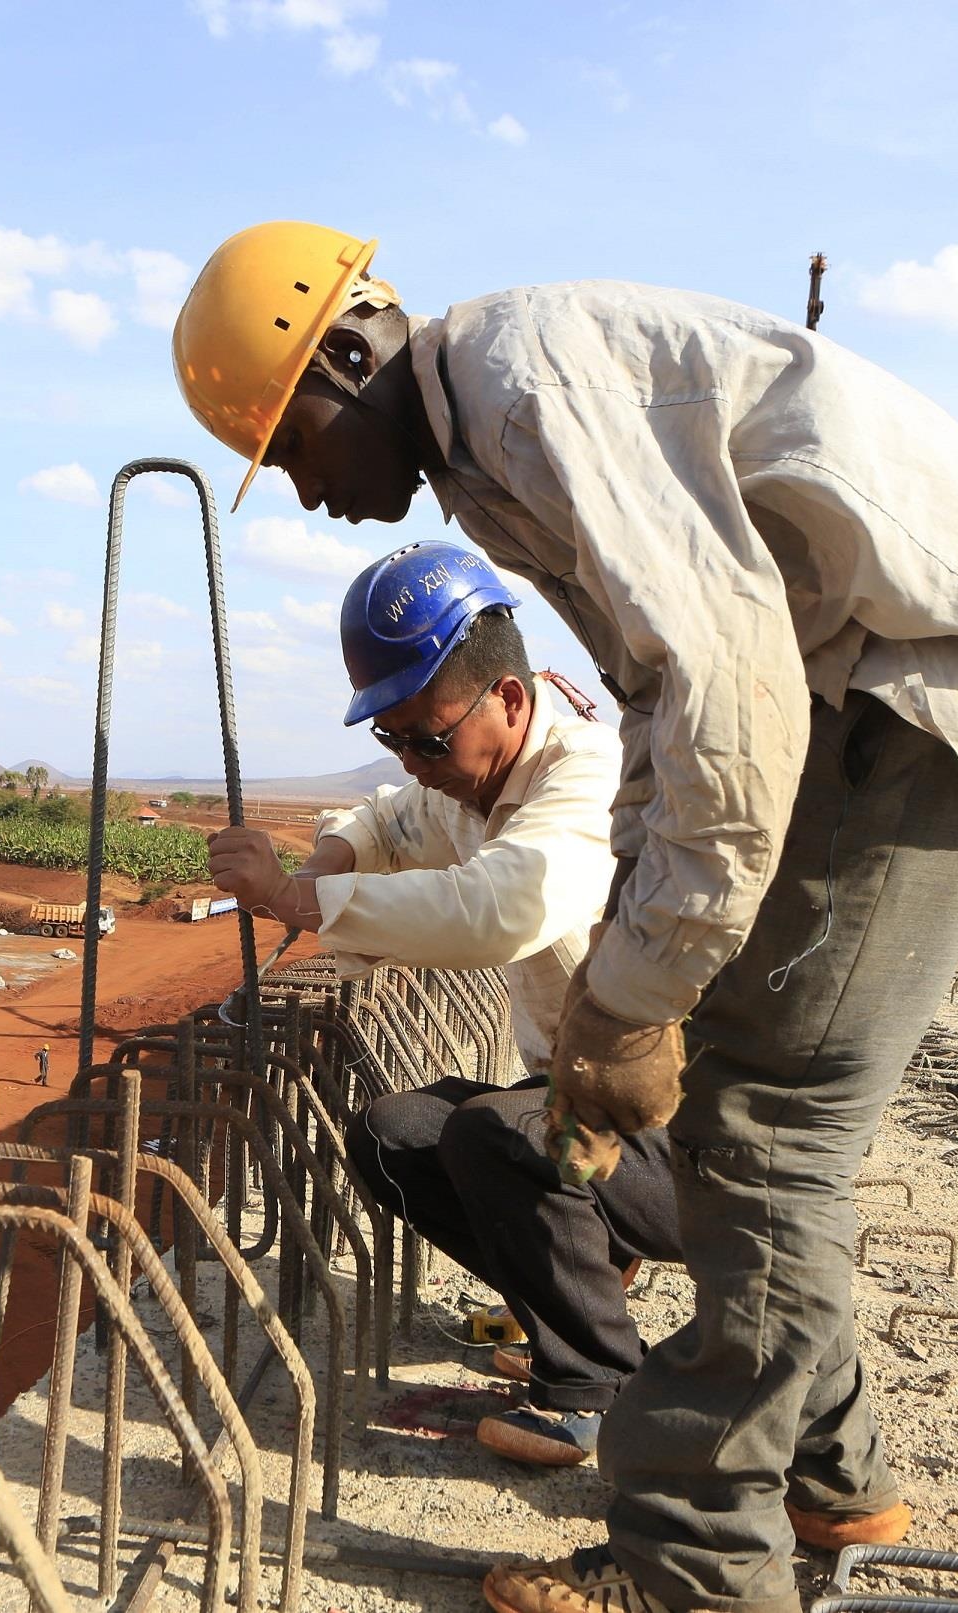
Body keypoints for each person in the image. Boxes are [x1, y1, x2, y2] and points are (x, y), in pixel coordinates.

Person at [172, 222, 958, 1613]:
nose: (306, 491)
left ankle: (693, 1562)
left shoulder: (521, 395)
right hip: (887, 680)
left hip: (936, 684)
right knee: (758, 1114)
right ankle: (833, 1478)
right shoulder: (490, 442)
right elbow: (658, 715)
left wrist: (632, 993)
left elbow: (722, 687)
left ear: (349, 351)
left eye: (294, 445)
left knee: (760, 1126)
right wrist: (641, 966)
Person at [205, 541, 654, 1467]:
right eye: (391, 738)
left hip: (681, 1134)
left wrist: (294, 902)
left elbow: (505, 907)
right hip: (580, 1106)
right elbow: (383, 822)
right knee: (394, 1134)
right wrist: (316, 866)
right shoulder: (460, 778)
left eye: (427, 738)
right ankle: (574, 1293)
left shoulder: (582, 778)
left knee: (494, 1134)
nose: (412, 761)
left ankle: (594, 1385)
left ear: (510, 700)